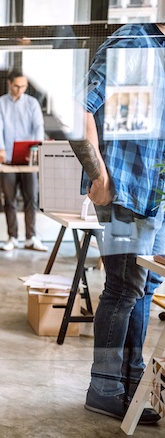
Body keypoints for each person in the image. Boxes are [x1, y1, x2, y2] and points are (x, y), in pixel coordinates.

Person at [71, 23, 165, 425]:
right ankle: (104, 387)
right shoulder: (133, 40)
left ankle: (133, 381)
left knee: (144, 287)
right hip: (124, 190)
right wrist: (98, 176)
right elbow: (78, 109)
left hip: (154, 192)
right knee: (123, 287)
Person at [0, 69, 47, 252]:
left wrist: (38, 148)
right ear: (9, 83)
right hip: (7, 158)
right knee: (9, 199)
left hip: (28, 159)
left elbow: (39, 126)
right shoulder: (0, 104)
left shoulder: (32, 103)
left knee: (31, 198)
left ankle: (31, 237)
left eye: (23, 86)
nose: (19, 89)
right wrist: (0, 149)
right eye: (16, 86)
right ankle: (12, 237)